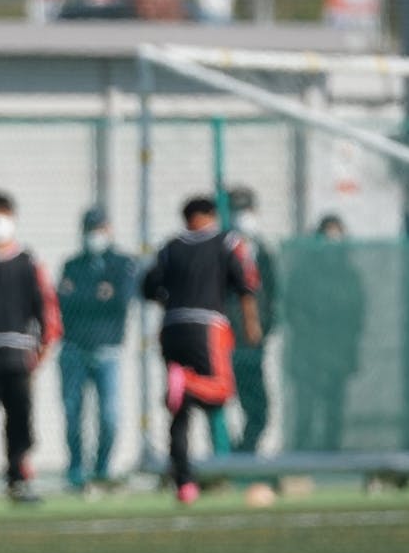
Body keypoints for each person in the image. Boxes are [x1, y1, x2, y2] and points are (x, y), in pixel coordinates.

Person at [142, 195, 262, 504]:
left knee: (179, 415)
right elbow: (246, 282)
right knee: (221, 391)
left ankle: (184, 484)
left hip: (171, 328)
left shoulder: (170, 247)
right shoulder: (226, 242)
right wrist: (251, 323)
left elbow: (148, 287)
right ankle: (187, 382)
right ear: (211, 215)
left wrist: (174, 299)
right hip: (207, 326)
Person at [0, 190, 61, 503]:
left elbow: (47, 309)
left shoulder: (28, 262)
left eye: (2, 216)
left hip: (19, 357)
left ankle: (18, 480)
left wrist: (44, 347)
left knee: (20, 421)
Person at [55, 205, 138, 491]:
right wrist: (97, 295)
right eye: (91, 230)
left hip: (108, 350)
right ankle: (76, 468)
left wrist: (86, 296)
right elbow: (65, 303)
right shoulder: (72, 264)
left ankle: (102, 467)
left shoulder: (122, 263)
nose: (95, 235)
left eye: (99, 229)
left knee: (110, 415)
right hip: (73, 349)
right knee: (73, 412)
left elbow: (120, 301)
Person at [285, 214, 364, 450]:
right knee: (305, 408)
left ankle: (332, 454)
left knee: (334, 408)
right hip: (308, 352)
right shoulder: (303, 273)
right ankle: (300, 456)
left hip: (338, 352)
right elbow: (293, 309)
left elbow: (356, 314)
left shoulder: (349, 276)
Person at [224, 186, 279, 453]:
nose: (242, 217)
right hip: (225, 344)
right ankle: (225, 462)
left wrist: (266, 327)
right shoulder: (219, 253)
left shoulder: (262, 252)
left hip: (254, 344)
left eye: (246, 210)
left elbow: (272, 293)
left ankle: (241, 457)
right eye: (236, 210)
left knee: (259, 410)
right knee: (219, 408)